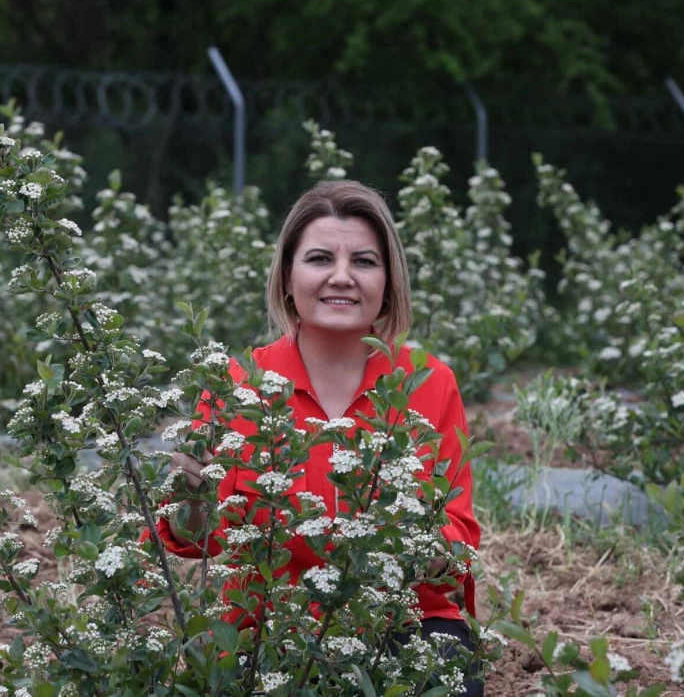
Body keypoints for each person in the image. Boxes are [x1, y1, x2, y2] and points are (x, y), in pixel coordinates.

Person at [142, 179, 483, 696]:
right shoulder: (237, 385)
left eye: (365, 262)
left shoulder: (428, 383)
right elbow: (196, 537)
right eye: (320, 258)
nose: (342, 278)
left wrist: (420, 543)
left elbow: (458, 537)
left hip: (401, 624)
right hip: (267, 632)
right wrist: (188, 496)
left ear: (389, 281)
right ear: (287, 276)